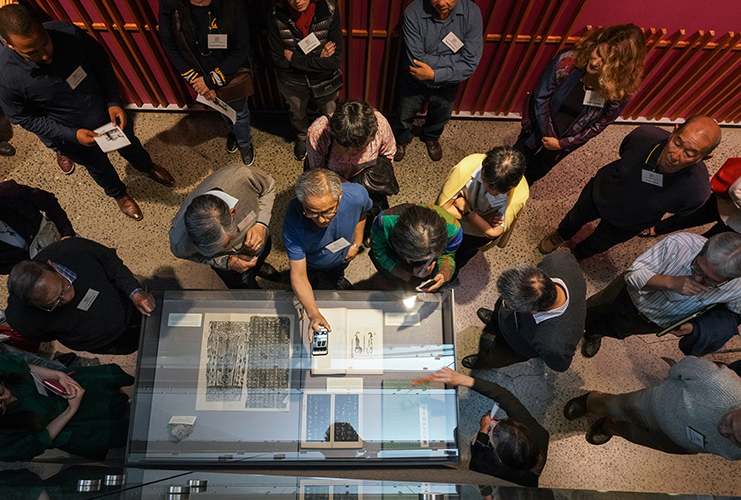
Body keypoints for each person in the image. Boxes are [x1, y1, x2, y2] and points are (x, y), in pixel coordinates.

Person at [0, 4, 175, 221]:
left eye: (44, 42)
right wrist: (71, 135)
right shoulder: (6, 76)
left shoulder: (67, 33)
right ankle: (119, 195)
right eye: (31, 52)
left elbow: (101, 64)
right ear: (8, 44)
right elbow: (23, 118)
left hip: (107, 113)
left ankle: (146, 167)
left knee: (131, 144)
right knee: (99, 167)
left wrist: (113, 101)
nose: (45, 55)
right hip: (72, 134)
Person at [538, 117, 721, 259]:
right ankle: (561, 235)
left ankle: (579, 254)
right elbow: (623, 151)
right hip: (602, 191)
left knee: (600, 242)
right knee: (576, 216)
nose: (675, 156)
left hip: (632, 222)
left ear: (706, 157)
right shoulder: (644, 136)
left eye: (689, 154)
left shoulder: (698, 191)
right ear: (674, 131)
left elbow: (681, 209)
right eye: (677, 143)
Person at [516, 24, 646, 185]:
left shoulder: (620, 92)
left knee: (539, 168)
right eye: (598, 52)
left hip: (568, 139)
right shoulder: (567, 60)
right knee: (517, 157)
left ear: (619, 69)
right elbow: (541, 97)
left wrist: (560, 144)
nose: (595, 62)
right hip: (539, 123)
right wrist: (548, 134)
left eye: (605, 62)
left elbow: (598, 126)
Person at [582, 232, 741, 358]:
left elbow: (732, 315)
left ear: (731, 279)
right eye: (697, 268)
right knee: (594, 309)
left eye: (710, 281)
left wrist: (697, 327)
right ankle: (576, 325)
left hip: (656, 321)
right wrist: (669, 282)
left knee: (619, 330)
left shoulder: (738, 288)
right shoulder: (679, 244)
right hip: (627, 295)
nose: (697, 279)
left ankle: (595, 334)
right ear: (702, 250)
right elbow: (633, 274)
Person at [563, 356, 741, 459]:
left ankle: (609, 426)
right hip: (654, 404)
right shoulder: (718, 381)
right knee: (615, 405)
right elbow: (684, 366)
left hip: (677, 442)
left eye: (735, 439)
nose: (722, 431)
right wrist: (667, 387)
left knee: (635, 435)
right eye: (731, 423)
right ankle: (591, 401)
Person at [5, 237, 156, 355]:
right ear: (33, 304)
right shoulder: (20, 318)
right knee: (142, 348)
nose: (67, 298)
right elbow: (42, 335)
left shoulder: (73, 249)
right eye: (55, 302)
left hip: (129, 306)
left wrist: (134, 291)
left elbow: (111, 263)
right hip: (105, 342)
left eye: (65, 286)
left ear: (53, 266)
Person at [159, 0, 255, 165]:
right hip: (198, 75)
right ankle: (234, 133)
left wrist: (211, 81)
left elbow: (241, 48)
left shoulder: (231, 5)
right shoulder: (171, 5)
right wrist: (197, 81)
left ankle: (245, 143)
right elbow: (171, 47)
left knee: (240, 113)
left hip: (228, 73)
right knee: (222, 110)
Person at [461, 253, 586, 372]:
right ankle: (496, 322)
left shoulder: (554, 344)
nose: (505, 303)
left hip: (516, 344)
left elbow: (560, 365)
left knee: (498, 355)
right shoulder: (559, 261)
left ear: (533, 311)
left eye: (510, 305)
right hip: (515, 317)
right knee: (500, 311)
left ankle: (485, 362)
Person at [392, 0, 483, 162]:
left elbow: (470, 63)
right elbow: (417, 60)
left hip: (448, 83)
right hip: (415, 78)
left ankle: (431, 136)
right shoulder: (413, 12)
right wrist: (455, 63)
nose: (441, 3)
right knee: (404, 113)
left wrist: (434, 74)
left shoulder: (472, 13)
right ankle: (401, 139)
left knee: (441, 114)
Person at [283, 170, 371, 335]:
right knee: (310, 278)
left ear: (340, 196)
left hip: (343, 255)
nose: (322, 219)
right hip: (311, 264)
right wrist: (313, 313)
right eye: (312, 212)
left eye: (329, 211)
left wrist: (357, 244)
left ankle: (337, 278)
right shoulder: (293, 220)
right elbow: (299, 275)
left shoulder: (357, 194)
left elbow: (362, 213)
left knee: (338, 272)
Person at [0, 354, 133, 462]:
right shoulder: (3, 442)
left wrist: (58, 375)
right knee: (129, 431)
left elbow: (23, 366)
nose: (6, 396)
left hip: (64, 386)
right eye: (1, 405)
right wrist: (71, 410)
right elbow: (37, 443)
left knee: (113, 395)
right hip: (72, 424)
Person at [169, 162, 280, 289]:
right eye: (220, 249)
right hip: (229, 269)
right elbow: (194, 256)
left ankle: (259, 265)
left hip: (261, 242)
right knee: (240, 286)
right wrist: (226, 262)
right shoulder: (179, 244)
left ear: (233, 212)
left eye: (227, 243)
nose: (231, 247)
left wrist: (261, 223)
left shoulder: (244, 176)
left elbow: (268, 187)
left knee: (263, 253)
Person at [431, 367, 548, 487]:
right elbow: (504, 396)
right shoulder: (538, 434)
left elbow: (478, 463)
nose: (492, 422)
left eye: (493, 431)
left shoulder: (484, 466)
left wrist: (483, 431)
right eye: (503, 422)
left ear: (497, 454)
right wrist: (465, 380)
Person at [268, 0, 343, 161]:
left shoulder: (328, 9)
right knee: (297, 113)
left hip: (325, 80)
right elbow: (278, 60)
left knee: (330, 113)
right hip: (292, 81)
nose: (297, 1)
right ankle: (302, 138)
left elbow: (334, 61)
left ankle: (331, 141)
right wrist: (319, 60)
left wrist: (295, 58)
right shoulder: (276, 14)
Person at [437, 146, 528, 271]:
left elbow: (493, 232)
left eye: (502, 191)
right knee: (439, 245)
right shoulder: (467, 167)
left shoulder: (519, 193)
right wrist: (483, 220)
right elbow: (444, 208)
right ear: (483, 171)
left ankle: (450, 274)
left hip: (474, 236)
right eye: (489, 186)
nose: (494, 193)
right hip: (457, 225)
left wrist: (467, 209)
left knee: (461, 256)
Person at [306, 99, 396, 225]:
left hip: (367, 180)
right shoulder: (318, 132)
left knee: (374, 212)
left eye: (359, 148)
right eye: (345, 146)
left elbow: (388, 153)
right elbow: (318, 171)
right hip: (334, 183)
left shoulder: (380, 125)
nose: (352, 151)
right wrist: (348, 189)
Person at [641, 157, 741, 239]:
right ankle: (657, 228)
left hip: (733, 218)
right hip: (726, 204)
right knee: (691, 219)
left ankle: (658, 230)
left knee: (710, 241)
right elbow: (736, 190)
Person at [369, 203, 462, 291]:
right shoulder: (383, 222)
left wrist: (443, 273)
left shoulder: (454, 231)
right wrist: (405, 274)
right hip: (395, 258)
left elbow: (448, 254)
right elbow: (379, 251)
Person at [0, 180, 75, 274]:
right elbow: (4, 268)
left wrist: (66, 233)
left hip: (61, 243)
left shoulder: (8, 192)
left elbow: (49, 202)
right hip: (40, 276)